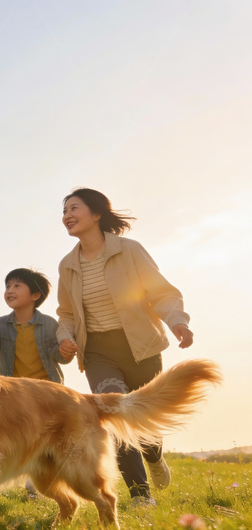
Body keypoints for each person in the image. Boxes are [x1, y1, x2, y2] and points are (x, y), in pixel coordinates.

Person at [56, 188, 193, 506]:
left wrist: (177, 322)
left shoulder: (129, 250)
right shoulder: (67, 265)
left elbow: (161, 292)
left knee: (145, 419)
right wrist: (66, 337)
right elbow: (66, 314)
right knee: (116, 415)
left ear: (97, 214)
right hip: (98, 351)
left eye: (73, 208)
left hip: (140, 346)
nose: (66, 216)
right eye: (64, 212)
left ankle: (154, 455)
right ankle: (141, 495)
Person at [0, 268, 71, 384]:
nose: (10, 291)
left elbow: (58, 356)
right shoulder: (1, 325)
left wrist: (65, 351)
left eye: (17, 286)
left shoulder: (49, 324)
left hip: (47, 390)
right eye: (8, 286)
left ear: (35, 295)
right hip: (14, 391)